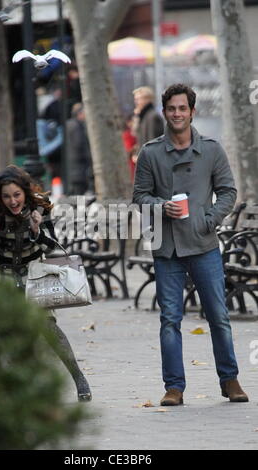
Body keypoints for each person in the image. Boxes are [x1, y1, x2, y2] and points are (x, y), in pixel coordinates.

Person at [133, 83, 248, 406]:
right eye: (171, 108)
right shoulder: (150, 152)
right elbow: (139, 197)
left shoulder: (211, 149)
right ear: (165, 112)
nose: (177, 114)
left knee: (218, 316)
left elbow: (228, 191)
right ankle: (174, 387)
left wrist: (208, 219)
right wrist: (160, 206)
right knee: (170, 318)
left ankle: (230, 380)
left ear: (192, 112)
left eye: (183, 108)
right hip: (167, 248)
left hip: (204, 244)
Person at [0, 165, 92, 402]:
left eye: (16, 195)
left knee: (48, 328)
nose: (12, 201)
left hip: (32, 274)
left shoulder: (38, 207)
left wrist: (37, 230)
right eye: (6, 196)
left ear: (24, 192)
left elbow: (53, 248)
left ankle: (79, 378)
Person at [66, 103, 94, 195]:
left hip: (75, 167)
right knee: (80, 192)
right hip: (79, 166)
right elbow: (79, 144)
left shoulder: (70, 124)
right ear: (80, 114)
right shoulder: (76, 126)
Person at [132, 86, 164, 152]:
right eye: (135, 99)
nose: (136, 102)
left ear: (147, 99)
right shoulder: (144, 116)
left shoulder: (152, 117)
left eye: (138, 99)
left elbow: (153, 143)